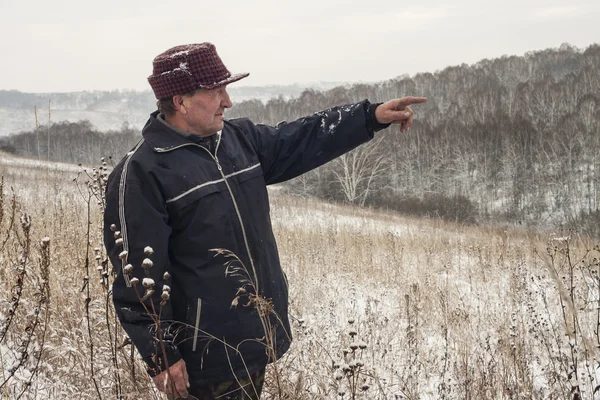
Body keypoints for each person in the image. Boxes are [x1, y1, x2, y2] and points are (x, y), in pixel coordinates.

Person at [103, 42, 427, 399]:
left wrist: (369, 117)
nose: (228, 101)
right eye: (217, 92)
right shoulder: (142, 173)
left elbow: (303, 137)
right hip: (204, 357)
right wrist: (161, 354)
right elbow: (138, 278)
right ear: (180, 101)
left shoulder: (238, 140)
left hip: (255, 337)